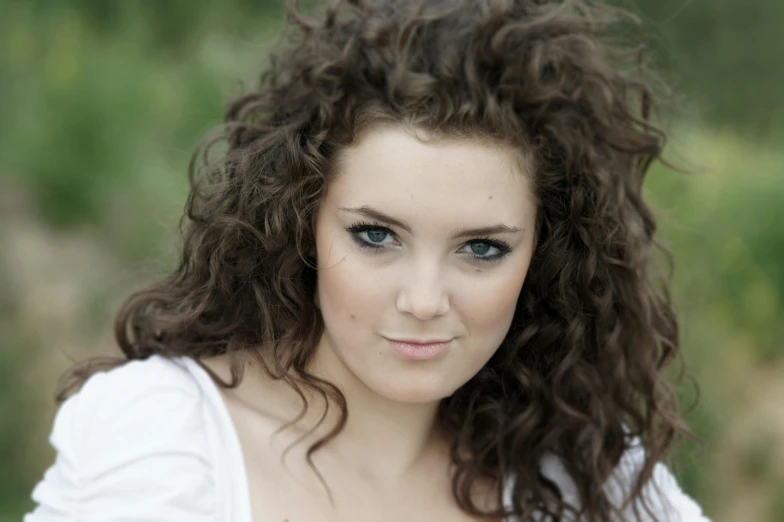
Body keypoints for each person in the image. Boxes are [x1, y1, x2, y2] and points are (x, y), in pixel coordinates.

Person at [25, 0, 712, 520]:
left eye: (482, 248)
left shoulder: (588, 481)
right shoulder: (169, 443)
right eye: (377, 237)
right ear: (303, 223)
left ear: (544, 257)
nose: (422, 299)